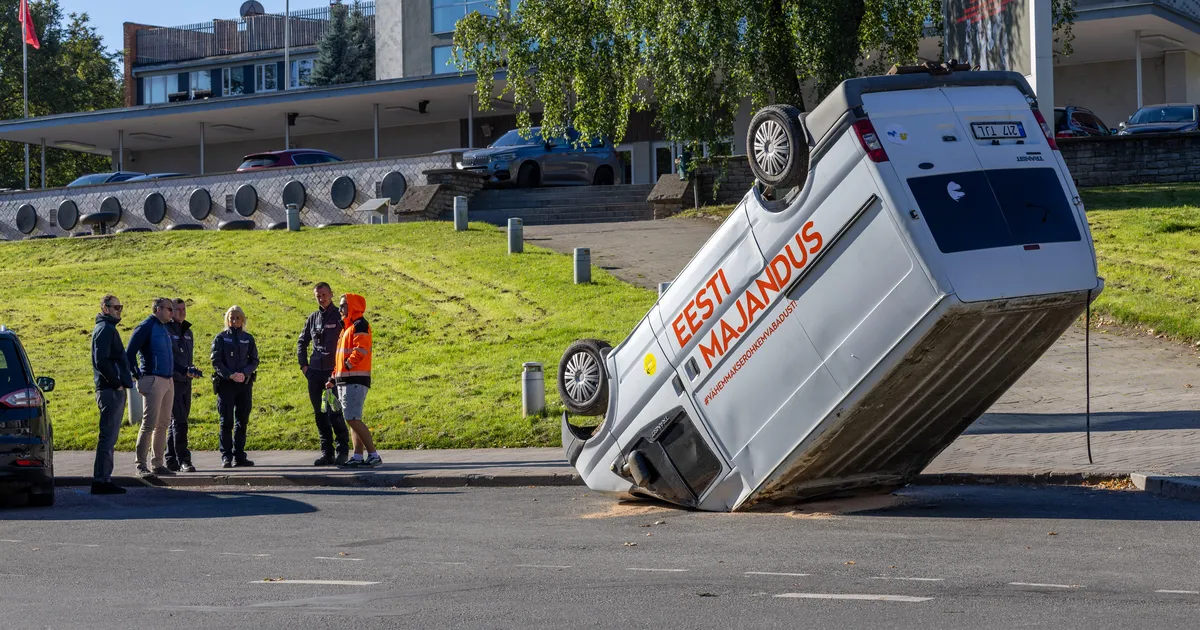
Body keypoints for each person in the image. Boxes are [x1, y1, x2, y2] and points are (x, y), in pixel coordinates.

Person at [297, 282, 350, 466]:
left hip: (332, 373)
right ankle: (327, 453)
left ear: (331, 294)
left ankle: (342, 451)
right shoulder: (313, 318)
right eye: (318, 295)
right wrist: (304, 367)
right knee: (320, 414)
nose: (321, 298)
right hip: (314, 373)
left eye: (324, 295)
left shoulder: (339, 317)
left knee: (335, 412)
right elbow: (301, 342)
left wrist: (340, 370)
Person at [126, 298, 176, 479]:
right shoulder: (146, 326)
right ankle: (141, 464)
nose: (172, 312)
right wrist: (137, 374)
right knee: (149, 424)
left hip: (168, 380)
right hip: (153, 379)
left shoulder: (164, 328)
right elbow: (129, 353)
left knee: (163, 424)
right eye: (169, 309)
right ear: (158, 309)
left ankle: (158, 463)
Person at [331, 293, 381, 468]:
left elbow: (361, 349)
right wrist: (334, 376)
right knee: (352, 418)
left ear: (352, 306)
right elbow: (340, 356)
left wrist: (347, 365)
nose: (340, 309)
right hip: (346, 379)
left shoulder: (359, 324)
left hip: (355, 378)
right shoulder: (347, 327)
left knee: (352, 418)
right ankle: (358, 456)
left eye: (344, 305)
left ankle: (373, 454)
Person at [91, 295, 133, 494]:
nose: (119, 310)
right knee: (108, 437)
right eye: (116, 307)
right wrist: (116, 383)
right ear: (105, 309)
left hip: (111, 389)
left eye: (121, 306)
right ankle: (101, 480)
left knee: (109, 437)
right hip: (110, 390)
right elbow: (101, 361)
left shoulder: (107, 329)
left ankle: (103, 478)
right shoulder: (105, 329)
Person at [211, 305, 259, 468]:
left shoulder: (248, 338)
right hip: (226, 385)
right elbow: (216, 361)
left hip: (244, 384)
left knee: (242, 420)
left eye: (237, 317)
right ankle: (226, 456)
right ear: (227, 319)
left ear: (243, 320)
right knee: (226, 421)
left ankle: (240, 455)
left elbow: (254, 360)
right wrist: (229, 374)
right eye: (231, 317)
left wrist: (244, 373)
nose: (234, 320)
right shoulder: (221, 338)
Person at [166, 298, 201, 473]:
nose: (182, 312)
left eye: (184, 309)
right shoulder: (166, 330)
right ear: (170, 312)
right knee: (180, 421)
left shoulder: (188, 332)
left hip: (186, 381)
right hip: (173, 381)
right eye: (178, 309)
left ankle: (170, 458)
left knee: (179, 421)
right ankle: (184, 459)